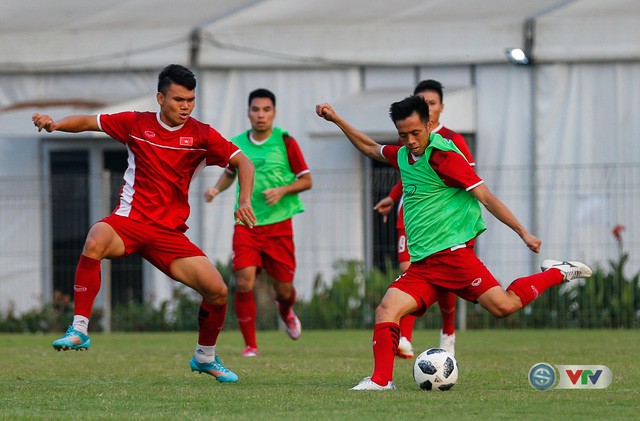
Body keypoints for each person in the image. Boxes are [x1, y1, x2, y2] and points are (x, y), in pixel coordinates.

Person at [316, 95, 592, 390]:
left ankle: (557, 272)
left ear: (430, 124)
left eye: (415, 133)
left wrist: (523, 232)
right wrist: (337, 120)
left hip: (454, 256)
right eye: (403, 134)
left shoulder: (443, 157)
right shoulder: (404, 157)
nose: (409, 140)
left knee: (504, 307)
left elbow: (486, 196)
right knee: (386, 310)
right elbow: (370, 147)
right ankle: (381, 381)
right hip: (424, 264)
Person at [32, 64, 257, 383]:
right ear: (160, 98)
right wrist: (55, 124)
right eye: (179, 99)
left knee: (218, 292)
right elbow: (88, 122)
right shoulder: (135, 123)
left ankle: (205, 356)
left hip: (168, 233)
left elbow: (243, 162)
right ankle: (79, 328)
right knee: (96, 237)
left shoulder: (201, 134)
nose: (185, 106)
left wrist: (244, 200)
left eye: (191, 100)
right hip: (130, 222)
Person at [204, 88, 312, 357]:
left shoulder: (285, 142)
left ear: (274, 113)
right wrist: (217, 189)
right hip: (246, 223)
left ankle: (285, 311)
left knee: (284, 289)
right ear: (248, 112)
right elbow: (230, 173)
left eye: (266, 109)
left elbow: (307, 180)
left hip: (279, 225)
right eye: (255, 109)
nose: (260, 115)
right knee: (244, 282)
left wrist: (282, 190)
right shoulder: (238, 142)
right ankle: (250, 345)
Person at [373, 80, 474, 358]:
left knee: (445, 278)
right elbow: (409, 172)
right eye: (422, 102)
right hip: (410, 215)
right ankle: (405, 336)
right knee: (410, 270)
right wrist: (393, 198)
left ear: (440, 107)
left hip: (444, 223)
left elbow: (467, 183)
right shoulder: (409, 136)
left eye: (432, 103)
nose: (427, 107)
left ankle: (448, 334)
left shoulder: (452, 141)